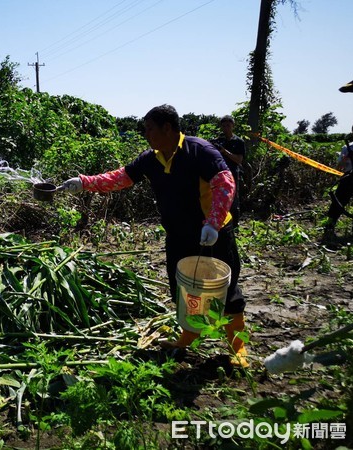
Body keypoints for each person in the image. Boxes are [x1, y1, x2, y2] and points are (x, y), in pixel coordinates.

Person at [62, 104, 248, 367]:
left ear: (168, 128)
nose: (146, 134)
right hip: (179, 236)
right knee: (184, 288)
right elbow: (122, 177)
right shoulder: (151, 158)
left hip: (212, 235)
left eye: (150, 129)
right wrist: (84, 183)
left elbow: (225, 182)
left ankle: (238, 350)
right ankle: (189, 336)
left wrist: (213, 223)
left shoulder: (199, 150)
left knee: (227, 291)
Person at [212, 115, 246, 227]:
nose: (226, 128)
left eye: (228, 125)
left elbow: (239, 160)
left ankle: (234, 224)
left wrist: (225, 152)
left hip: (233, 172)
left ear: (233, 126)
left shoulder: (239, 142)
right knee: (218, 198)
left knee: (233, 199)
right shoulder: (217, 141)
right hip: (219, 174)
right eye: (224, 125)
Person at [323, 123, 353, 241]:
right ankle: (329, 228)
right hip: (348, 179)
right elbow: (338, 167)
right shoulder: (347, 148)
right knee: (337, 204)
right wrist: (345, 159)